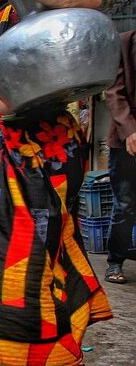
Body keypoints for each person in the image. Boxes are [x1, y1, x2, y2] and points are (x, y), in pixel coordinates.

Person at [0, 0, 112, 364]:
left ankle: (34, 353)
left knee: (25, 268)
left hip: (26, 154)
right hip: (6, 160)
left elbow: (92, 0)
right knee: (4, 267)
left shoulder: (25, 10)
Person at [104, 30, 136, 284]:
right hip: (125, 140)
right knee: (124, 204)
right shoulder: (124, 42)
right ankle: (115, 261)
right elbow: (114, 92)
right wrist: (130, 131)